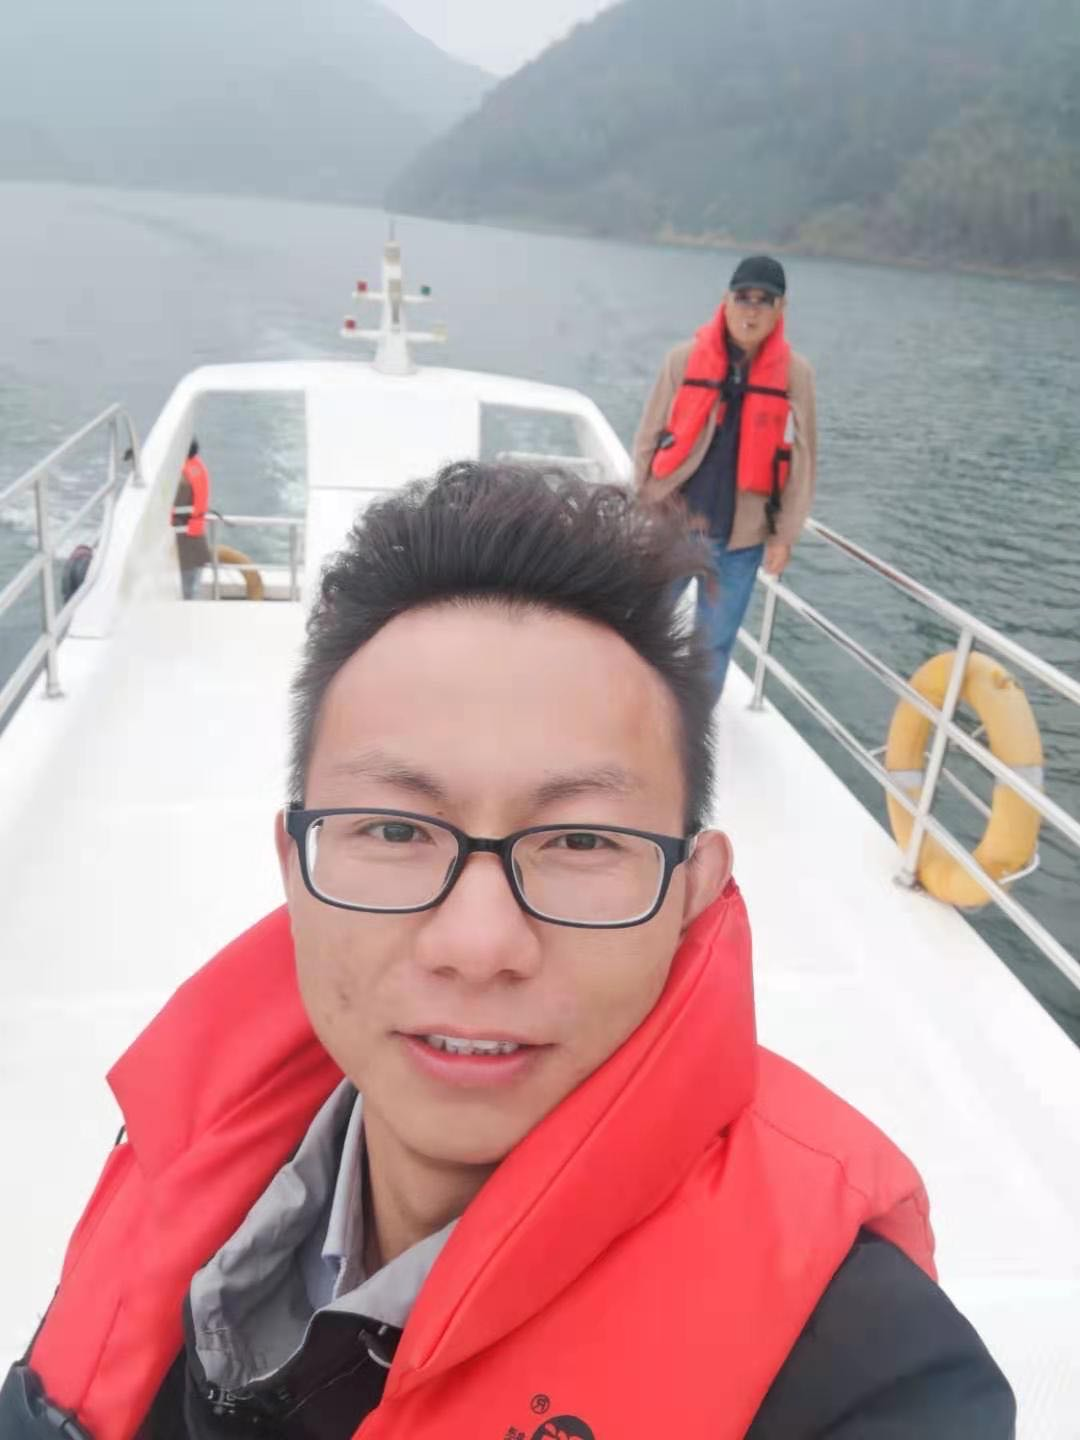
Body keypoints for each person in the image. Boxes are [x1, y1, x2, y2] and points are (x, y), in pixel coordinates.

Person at [2, 465, 1013, 1439]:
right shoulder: (182, 1156)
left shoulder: (866, 1371)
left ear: (693, 893)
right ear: (294, 867)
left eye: (581, 842)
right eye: (394, 829)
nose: (478, 946)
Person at [634, 255, 817, 703]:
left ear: (780, 309)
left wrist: (784, 536)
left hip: (741, 541)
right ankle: (637, 715)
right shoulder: (682, 359)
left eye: (764, 300)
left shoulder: (796, 375)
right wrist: (642, 504)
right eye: (743, 298)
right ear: (726, 300)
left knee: (712, 647)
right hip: (674, 525)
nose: (751, 310)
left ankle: (691, 727)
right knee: (643, 628)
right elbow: (649, 435)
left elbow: (804, 459)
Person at [171, 438, 212, 599]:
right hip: (196, 536)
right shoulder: (196, 467)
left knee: (187, 589)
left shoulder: (182, 480)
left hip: (185, 539)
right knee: (193, 584)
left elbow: (174, 506)